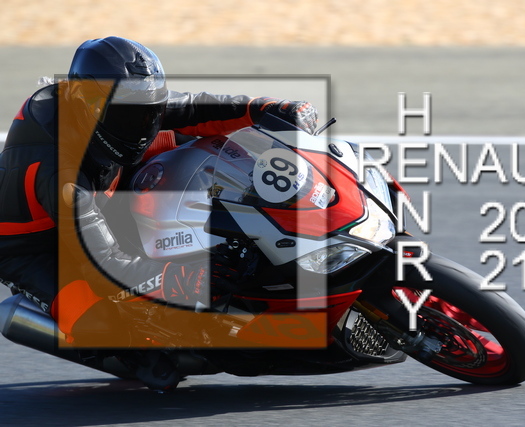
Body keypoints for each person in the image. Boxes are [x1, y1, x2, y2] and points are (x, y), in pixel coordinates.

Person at [0, 36, 318, 389]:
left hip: (103, 186)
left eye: (149, 112)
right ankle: (138, 354)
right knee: (99, 324)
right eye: (130, 116)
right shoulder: (58, 170)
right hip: (37, 248)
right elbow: (104, 264)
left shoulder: (112, 103)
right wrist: (184, 280)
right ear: (88, 105)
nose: (143, 125)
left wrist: (267, 108)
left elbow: (195, 109)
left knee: (201, 141)